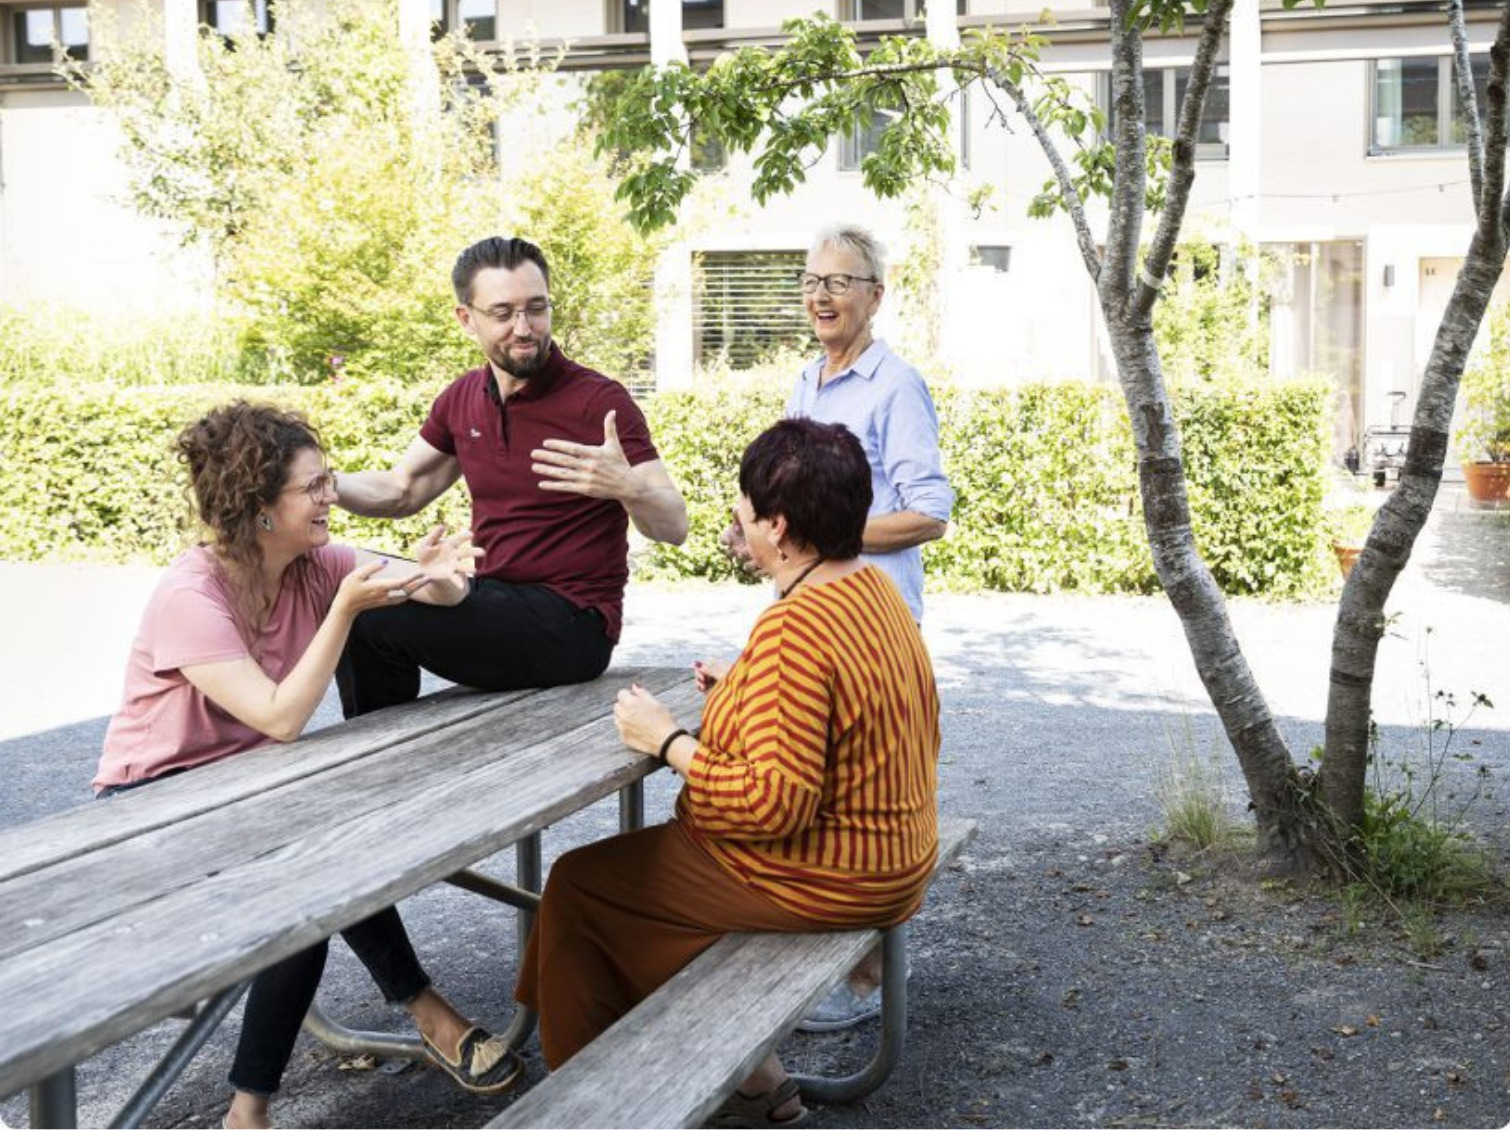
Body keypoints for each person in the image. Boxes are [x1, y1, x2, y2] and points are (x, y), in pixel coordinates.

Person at [94, 403, 520, 1130]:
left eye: (328, 480)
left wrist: (442, 578)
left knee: (327, 856)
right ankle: (261, 1102)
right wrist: (345, 613)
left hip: (257, 787)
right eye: (314, 487)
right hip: (155, 801)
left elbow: (424, 583)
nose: (331, 496)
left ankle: (387, 1033)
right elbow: (282, 717)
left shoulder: (314, 562)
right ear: (260, 509)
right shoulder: (191, 595)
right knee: (308, 878)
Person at [514, 418, 941, 1127]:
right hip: (896, 854)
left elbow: (776, 805)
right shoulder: (870, 590)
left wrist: (668, 739)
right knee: (621, 890)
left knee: (581, 890)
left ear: (777, 526)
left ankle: (587, 1107)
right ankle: (757, 1078)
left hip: (834, 873)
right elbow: (842, 709)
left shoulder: (795, 627)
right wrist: (745, 688)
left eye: (743, 508)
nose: (737, 519)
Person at [728, 223, 954, 1029]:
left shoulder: (896, 386)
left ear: (875, 296)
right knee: (810, 797)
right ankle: (849, 970)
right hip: (807, 610)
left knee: (861, 802)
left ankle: (865, 980)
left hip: (872, 617)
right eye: (812, 281)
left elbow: (929, 512)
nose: (821, 295)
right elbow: (795, 491)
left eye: (840, 282)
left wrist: (828, 534)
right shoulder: (806, 382)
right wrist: (759, 526)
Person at [332, 235, 687, 715]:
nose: (525, 328)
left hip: (573, 624)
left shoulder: (598, 401)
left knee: (372, 619)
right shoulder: (461, 399)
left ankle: (374, 765)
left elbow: (674, 526)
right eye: (503, 314)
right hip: (494, 600)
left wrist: (627, 487)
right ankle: (380, 750)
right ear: (466, 319)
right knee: (361, 589)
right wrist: (325, 485)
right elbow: (402, 490)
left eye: (536, 309)